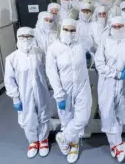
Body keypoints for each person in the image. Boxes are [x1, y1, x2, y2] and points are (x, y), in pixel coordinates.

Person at [46, 19, 92, 163]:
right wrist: (59, 94)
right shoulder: (53, 48)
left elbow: (94, 53)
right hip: (64, 89)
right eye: (66, 29)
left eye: (73, 30)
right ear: (61, 29)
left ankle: (63, 137)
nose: (69, 33)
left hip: (82, 86)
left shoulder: (82, 44)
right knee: (66, 118)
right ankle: (73, 144)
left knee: (83, 117)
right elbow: (51, 71)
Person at [4, 27, 50, 158]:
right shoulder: (12, 58)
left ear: (33, 38)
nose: (26, 39)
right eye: (22, 36)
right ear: (18, 38)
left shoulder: (40, 53)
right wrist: (15, 98)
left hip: (41, 91)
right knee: (28, 118)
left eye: (29, 36)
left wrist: (50, 87)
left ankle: (43, 140)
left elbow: (46, 71)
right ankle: (33, 142)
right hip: (24, 94)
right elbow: (9, 79)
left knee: (43, 114)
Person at [95, 17, 125, 163]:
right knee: (107, 112)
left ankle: (115, 143)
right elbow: (99, 64)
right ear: (111, 28)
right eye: (115, 26)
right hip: (107, 82)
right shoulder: (105, 42)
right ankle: (117, 143)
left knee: (120, 111)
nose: (118, 29)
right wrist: (116, 74)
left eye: (120, 26)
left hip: (123, 83)